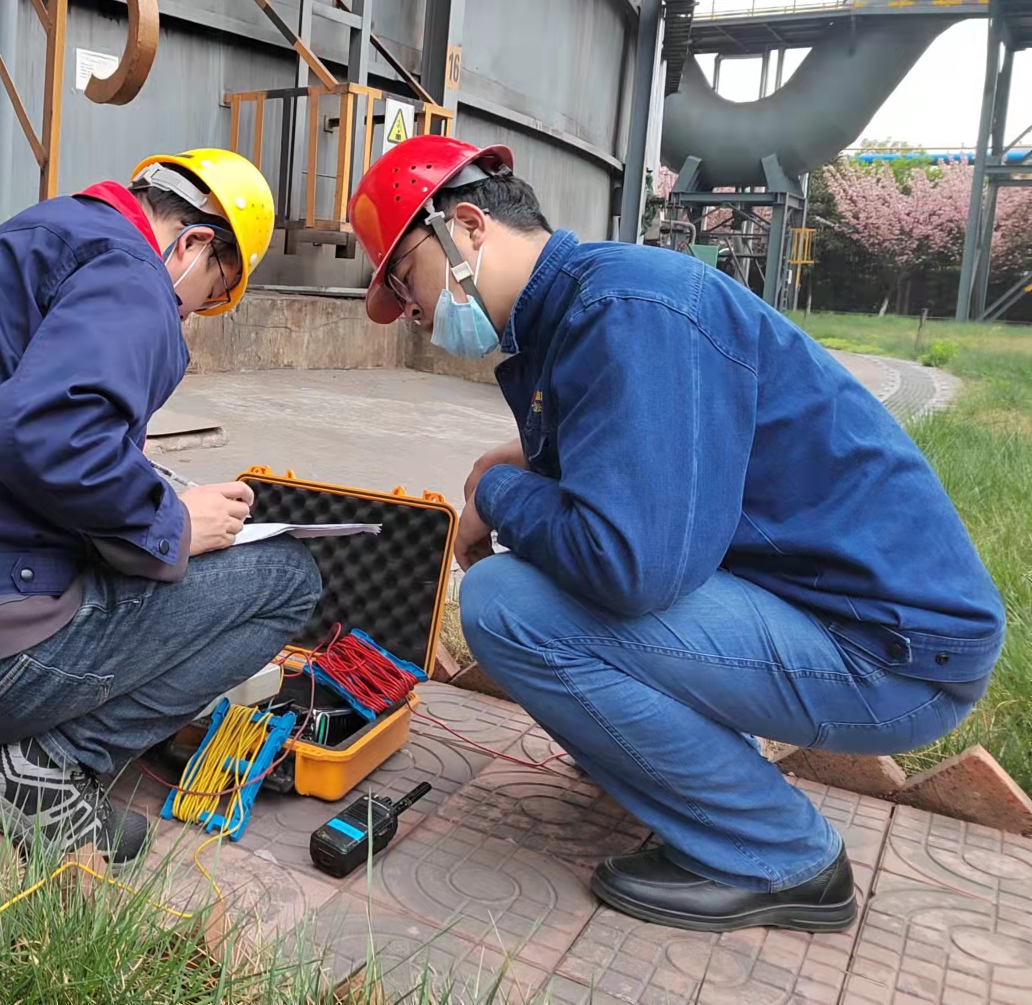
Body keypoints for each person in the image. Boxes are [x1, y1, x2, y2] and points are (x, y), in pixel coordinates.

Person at [347, 134, 1003, 932]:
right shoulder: (589, 306)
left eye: (405, 280)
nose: (414, 315)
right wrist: (532, 460)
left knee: (507, 602)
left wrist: (499, 492)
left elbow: (632, 567)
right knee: (546, 569)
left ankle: (783, 854)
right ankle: (673, 771)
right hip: (855, 617)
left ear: (467, 227)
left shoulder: (627, 310)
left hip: (891, 655)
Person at [0, 149, 322, 862]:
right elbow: (51, 440)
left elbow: (4, 438)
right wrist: (174, 523)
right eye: (208, 294)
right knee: (288, 577)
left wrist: (140, 494)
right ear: (195, 243)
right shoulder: (134, 278)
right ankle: (42, 762)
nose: (188, 313)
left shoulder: (31, 237)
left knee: (106, 544)